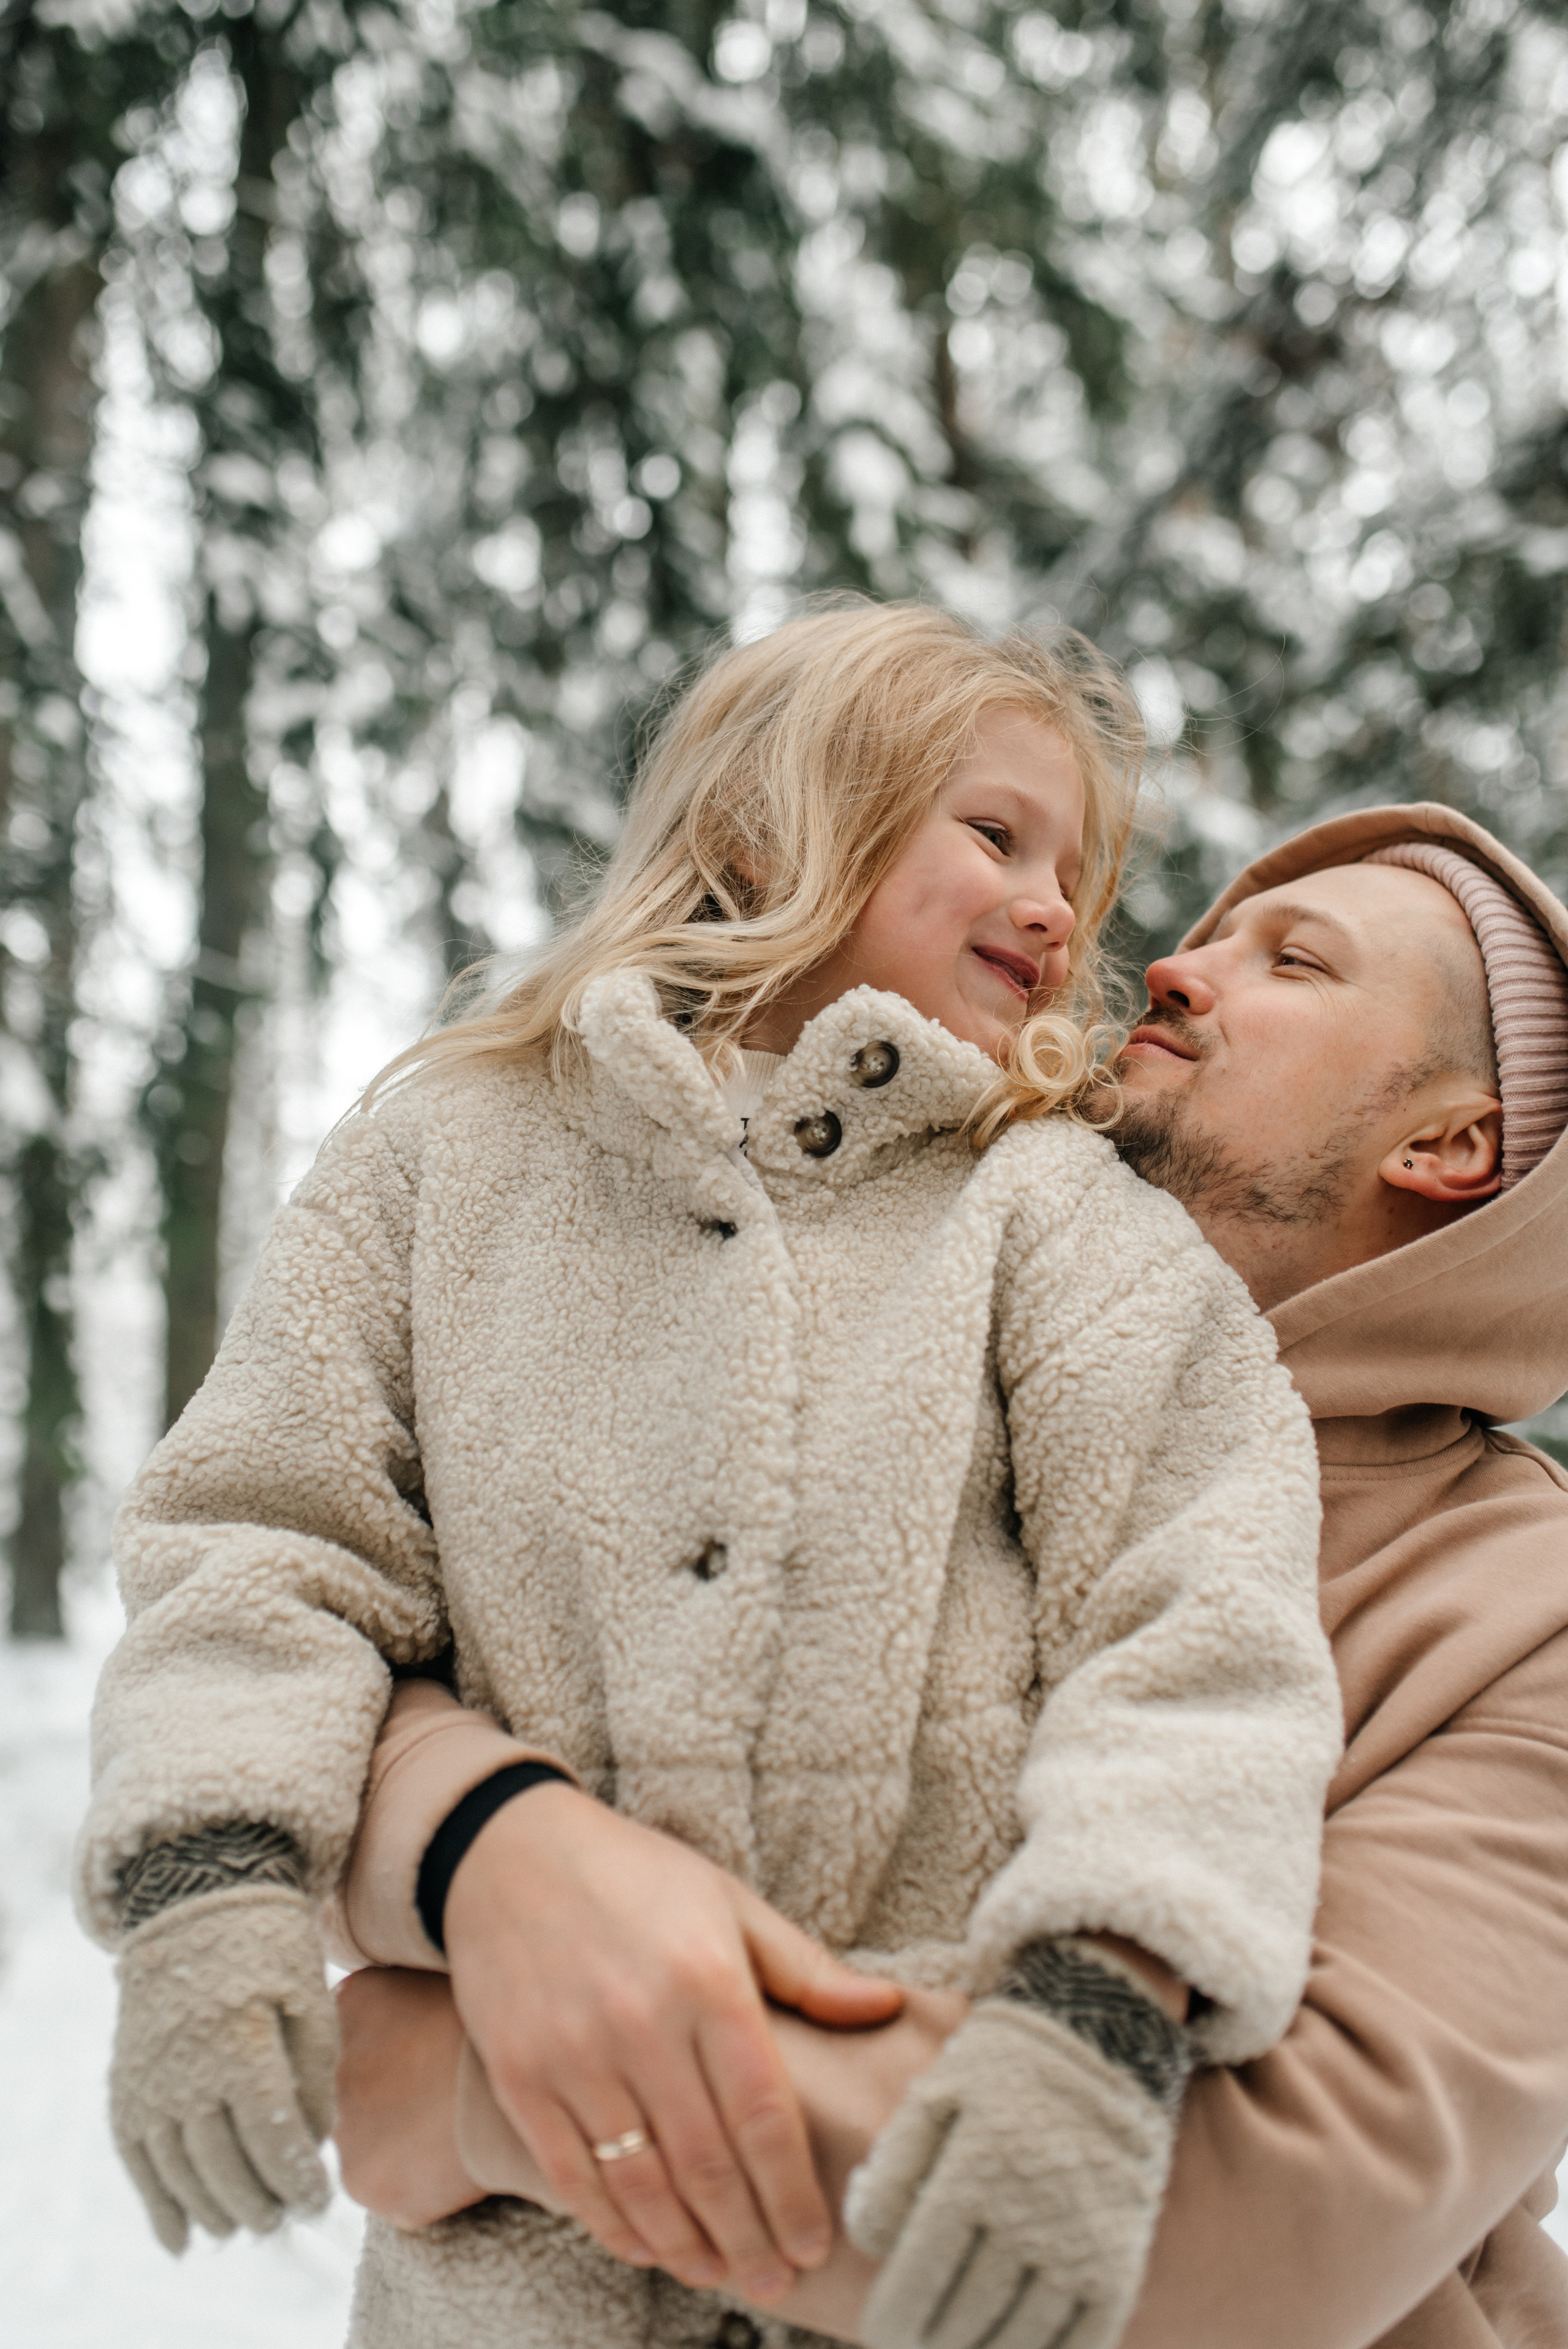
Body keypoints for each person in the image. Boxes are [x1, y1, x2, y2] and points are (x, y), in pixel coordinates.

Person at [74, 600, 1341, 2349]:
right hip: (515, 2282)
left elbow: (1207, 1608)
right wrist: (207, 1886)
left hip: (907, 2221)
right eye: (996, 835)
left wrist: (1098, 2008)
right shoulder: (449, 1154)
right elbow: (262, 1538)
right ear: (765, 825)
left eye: (1079, 871)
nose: (1061, 908)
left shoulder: (1054, 1217)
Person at [334, 798, 1568, 2349]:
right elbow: (335, 1633)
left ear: (1446, 1139)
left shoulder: (1523, 1609)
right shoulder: (843, 1318)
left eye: (1294, 964)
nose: (1176, 970)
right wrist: (486, 1842)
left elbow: (1254, 2236)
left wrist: (494, 2089)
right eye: (1206, 935)